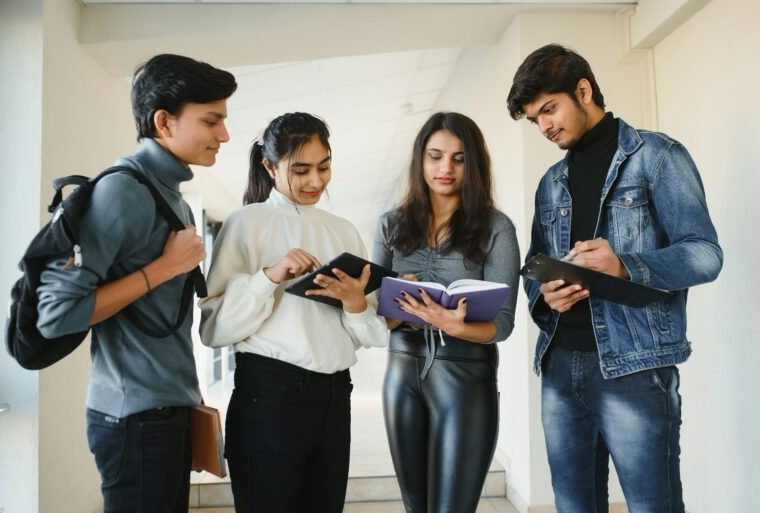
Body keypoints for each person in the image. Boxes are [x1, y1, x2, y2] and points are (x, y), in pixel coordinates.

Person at [507, 43, 723, 513]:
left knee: (653, 505)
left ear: (583, 91)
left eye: (549, 109)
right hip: (561, 366)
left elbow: (705, 255)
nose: (544, 126)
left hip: (635, 368)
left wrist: (626, 264)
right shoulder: (551, 181)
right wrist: (546, 295)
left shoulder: (659, 157)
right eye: (534, 118)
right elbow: (534, 267)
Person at [35, 54, 236, 512]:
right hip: (135, 419)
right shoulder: (123, 191)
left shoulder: (168, 193)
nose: (224, 135)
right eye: (212, 121)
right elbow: (57, 315)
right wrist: (164, 268)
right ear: (164, 122)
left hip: (163, 411)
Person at [198, 112, 388, 513]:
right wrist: (270, 276)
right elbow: (214, 329)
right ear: (270, 167)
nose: (316, 181)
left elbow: (370, 334)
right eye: (300, 170)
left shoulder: (344, 229)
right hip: (269, 398)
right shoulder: (245, 223)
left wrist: (355, 303)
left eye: (324, 166)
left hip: (335, 396)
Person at [372, 112, 520, 513]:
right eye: (435, 156)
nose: (445, 169)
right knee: (415, 507)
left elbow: (503, 324)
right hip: (401, 373)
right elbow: (373, 317)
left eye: (458, 158)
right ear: (420, 159)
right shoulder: (390, 225)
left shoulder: (496, 228)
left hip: (465, 376)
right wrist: (387, 306)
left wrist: (451, 323)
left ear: (474, 164)